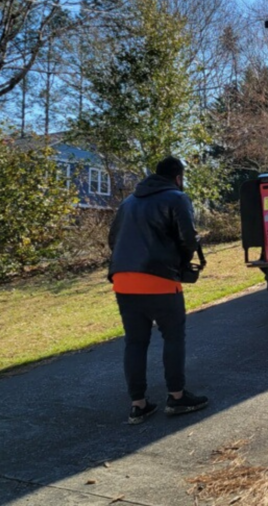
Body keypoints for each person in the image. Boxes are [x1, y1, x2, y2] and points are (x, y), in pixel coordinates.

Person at [108, 156, 208, 425]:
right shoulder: (176, 197)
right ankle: (176, 397)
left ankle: (138, 405)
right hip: (160, 279)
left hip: (123, 281)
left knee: (135, 342)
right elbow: (187, 239)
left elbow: (112, 239)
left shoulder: (128, 202)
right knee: (173, 337)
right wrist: (184, 262)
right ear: (178, 177)